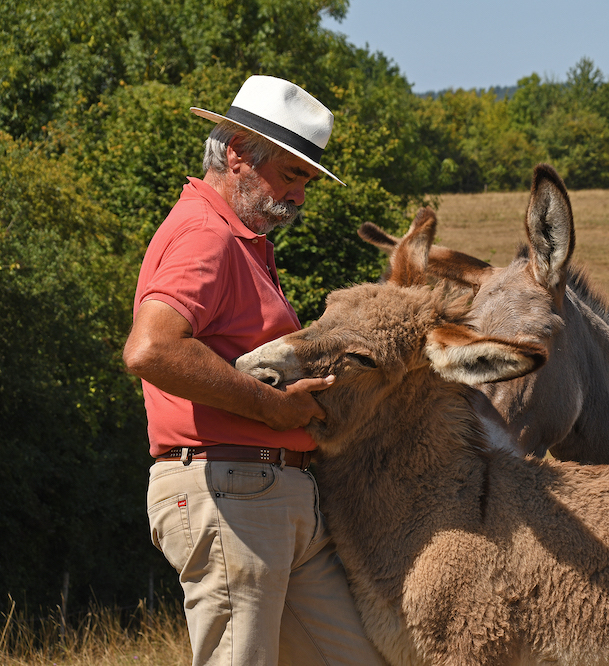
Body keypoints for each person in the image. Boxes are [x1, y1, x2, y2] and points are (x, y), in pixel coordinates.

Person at [123, 75, 386, 665]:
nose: (299, 197)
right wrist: (276, 408)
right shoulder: (204, 234)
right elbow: (151, 349)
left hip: (274, 495)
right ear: (238, 153)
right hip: (232, 490)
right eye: (292, 176)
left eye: (306, 181)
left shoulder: (239, 242)